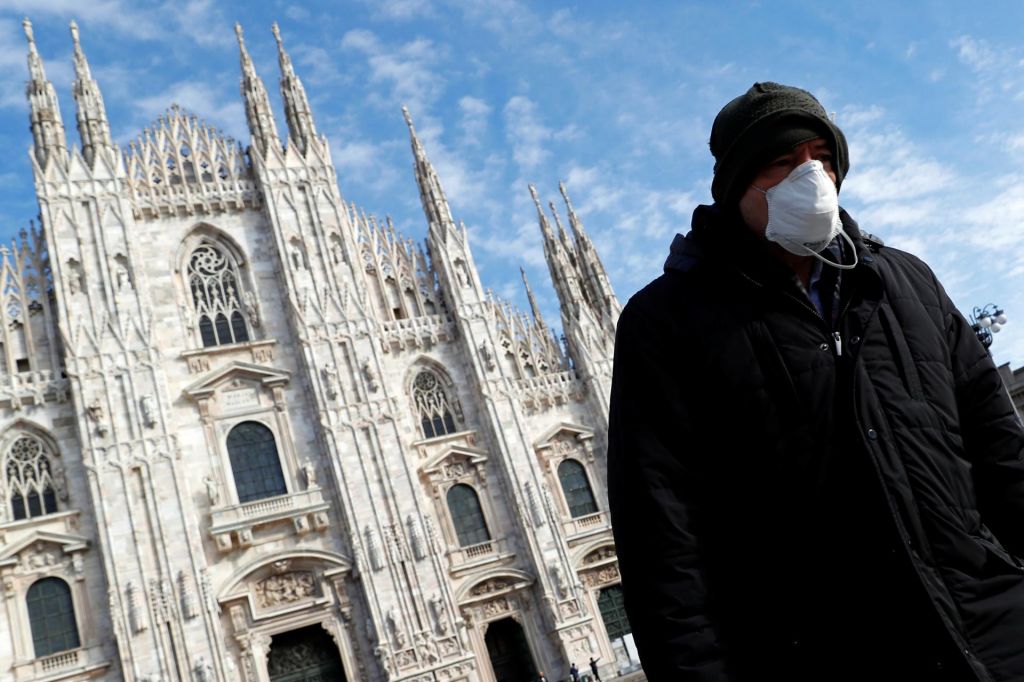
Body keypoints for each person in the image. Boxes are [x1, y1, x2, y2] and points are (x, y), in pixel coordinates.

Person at [607, 82, 1024, 681]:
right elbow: (664, 546)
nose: (811, 176)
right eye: (782, 162)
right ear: (736, 188)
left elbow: (1001, 452)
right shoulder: (665, 326)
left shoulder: (904, 281)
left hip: (993, 635)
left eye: (821, 158)